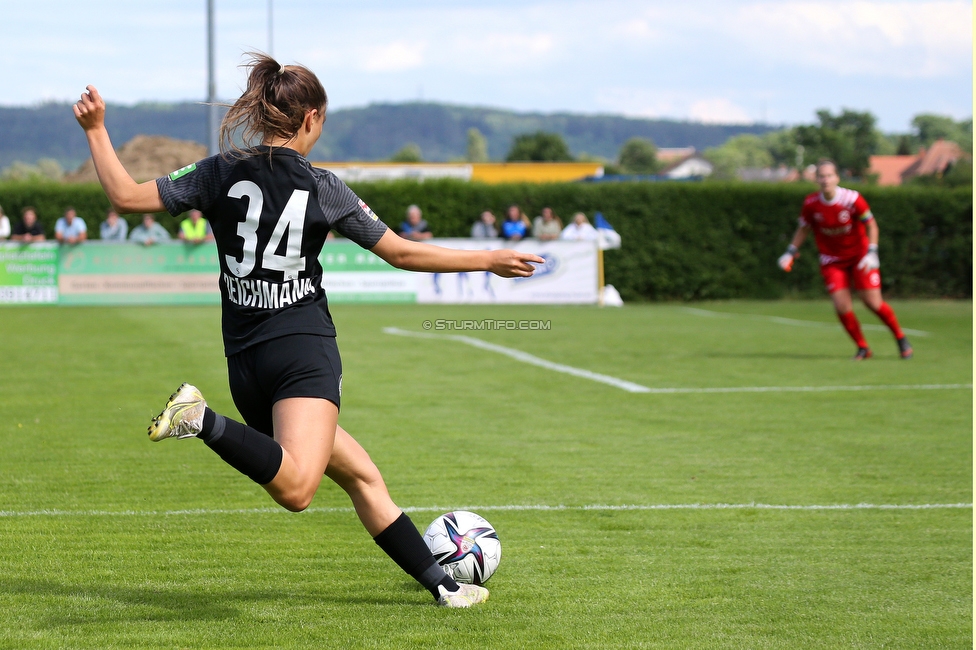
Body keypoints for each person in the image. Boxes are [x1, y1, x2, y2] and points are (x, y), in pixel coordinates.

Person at [72, 54, 542, 608]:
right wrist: (486, 258)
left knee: (363, 476)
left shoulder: (218, 170)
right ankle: (199, 418)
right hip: (301, 353)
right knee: (298, 489)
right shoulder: (324, 186)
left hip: (246, 363)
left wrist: (97, 130)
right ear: (311, 118)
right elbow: (401, 251)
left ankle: (443, 586)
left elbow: (125, 197)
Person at [778, 159, 912, 360]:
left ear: (837, 178)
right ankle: (863, 348)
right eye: (821, 176)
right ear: (816, 179)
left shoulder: (852, 199)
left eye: (829, 175)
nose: (825, 180)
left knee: (873, 303)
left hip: (860, 257)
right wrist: (790, 251)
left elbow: (872, 225)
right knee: (841, 305)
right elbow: (804, 229)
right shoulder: (811, 204)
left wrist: (872, 252)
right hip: (832, 261)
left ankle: (901, 338)